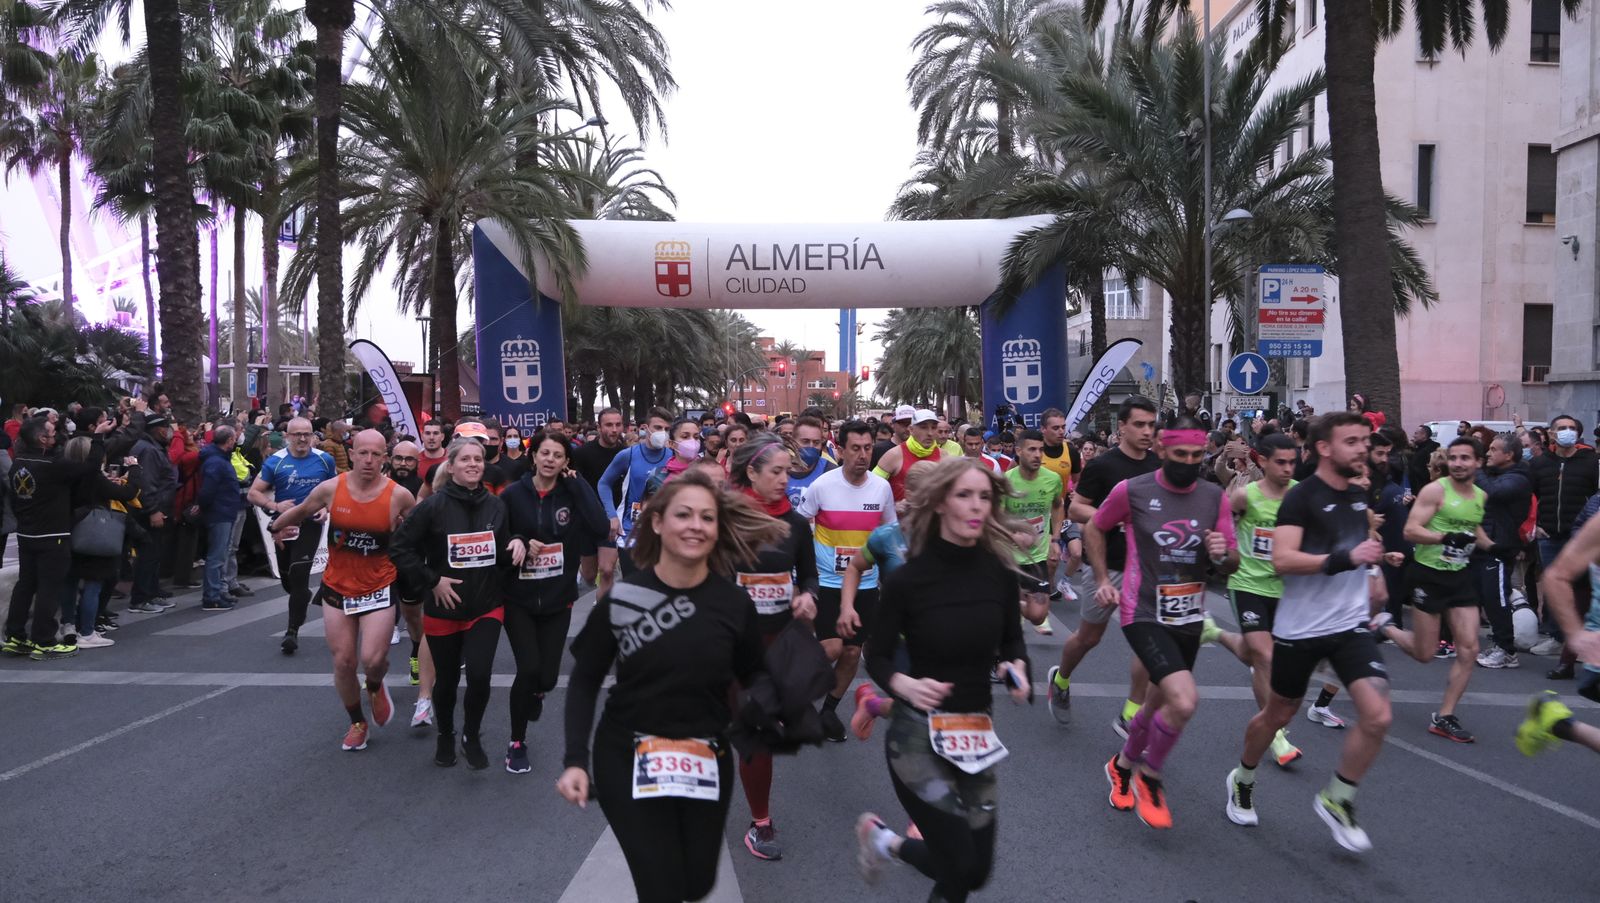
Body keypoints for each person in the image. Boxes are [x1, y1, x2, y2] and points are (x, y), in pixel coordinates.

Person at [558, 469, 788, 903]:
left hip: (704, 754)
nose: (695, 525)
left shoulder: (733, 603)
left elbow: (754, 672)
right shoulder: (625, 599)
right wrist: (574, 759)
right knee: (659, 885)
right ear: (658, 522)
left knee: (697, 882)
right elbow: (585, 680)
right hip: (628, 753)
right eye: (684, 514)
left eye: (707, 517)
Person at [852, 458, 1030, 901]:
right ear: (940, 504)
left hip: (975, 733)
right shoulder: (909, 579)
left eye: (985, 497)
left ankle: (885, 842)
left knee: (974, 873)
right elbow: (875, 655)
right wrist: (904, 684)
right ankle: (889, 842)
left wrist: (1015, 668)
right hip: (917, 738)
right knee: (957, 864)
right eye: (964, 495)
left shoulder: (999, 574)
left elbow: (1012, 641)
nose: (976, 507)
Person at [1222, 412, 1393, 853]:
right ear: (1324, 448)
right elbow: (1283, 560)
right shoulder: (1302, 500)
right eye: (1352, 441)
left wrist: (1375, 575)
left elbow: (1362, 549)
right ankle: (1243, 775)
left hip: (1349, 624)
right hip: (1301, 626)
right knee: (1278, 715)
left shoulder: (1358, 495)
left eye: (1364, 441)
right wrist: (1346, 559)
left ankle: (1339, 797)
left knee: (1377, 715)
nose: (1362, 449)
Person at [1089, 420, 1238, 830]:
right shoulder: (1133, 491)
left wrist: (1222, 553)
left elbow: (1232, 561)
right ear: (1160, 449)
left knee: (1158, 701)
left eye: (1196, 456)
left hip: (1188, 614)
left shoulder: (1213, 496)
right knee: (1184, 701)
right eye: (1180, 456)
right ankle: (1150, 776)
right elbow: (1094, 527)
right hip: (1143, 611)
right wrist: (1103, 579)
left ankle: (1120, 765)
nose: (1189, 464)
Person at [272, 430, 417, 752]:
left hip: (379, 584)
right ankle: (357, 722)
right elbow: (303, 510)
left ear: (385, 458)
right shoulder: (331, 488)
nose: (368, 460)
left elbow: (422, 525)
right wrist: (275, 526)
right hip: (337, 586)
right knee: (344, 662)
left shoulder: (398, 496)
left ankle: (376, 685)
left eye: (375, 455)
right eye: (362, 453)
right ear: (352, 454)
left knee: (373, 658)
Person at [723, 433, 820, 860]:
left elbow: (810, 574)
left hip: (777, 642)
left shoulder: (796, 524)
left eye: (788, 471)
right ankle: (761, 824)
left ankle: (756, 819)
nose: (786, 479)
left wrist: (808, 596)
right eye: (776, 471)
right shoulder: (725, 519)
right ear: (752, 473)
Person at [391, 438, 511, 769]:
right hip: (444, 608)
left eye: (478, 459)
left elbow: (501, 550)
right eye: (466, 459)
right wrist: (433, 580)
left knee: (480, 674)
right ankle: (446, 733)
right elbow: (400, 548)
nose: (473, 464)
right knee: (446, 681)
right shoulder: (433, 506)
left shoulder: (497, 506)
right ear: (452, 465)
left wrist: (516, 545)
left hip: (486, 605)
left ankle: (471, 735)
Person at [1046, 395, 1160, 730]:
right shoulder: (1103, 465)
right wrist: (1116, 516)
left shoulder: (1158, 465)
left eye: (1151, 425)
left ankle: (1130, 713)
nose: (1146, 431)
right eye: (1139, 424)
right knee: (1088, 637)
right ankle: (1062, 679)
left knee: (1147, 640)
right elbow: (1077, 509)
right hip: (1106, 564)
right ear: (1121, 427)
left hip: (1147, 569)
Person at [500, 432, 608, 774]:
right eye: (544, 453)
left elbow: (600, 525)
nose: (549, 459)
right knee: (528, 669)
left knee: (546, 678)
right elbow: (498, 535)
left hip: (558, 597)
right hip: (518, 597)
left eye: (557, 455)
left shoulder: (571, 493)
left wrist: (579, 487)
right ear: (534, 457)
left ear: (565, 462)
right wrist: (517, 540)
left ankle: (537, 692)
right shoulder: (514, 494)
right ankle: (517, 742)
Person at [1373, 436, 1492, 743]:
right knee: (1425, 653)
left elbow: (1473, 527)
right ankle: (1386, 626)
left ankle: (1445, 715)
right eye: (1453, 458)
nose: (1458, 464)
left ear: (1479, 462)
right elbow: (1411, 529)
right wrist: (1444, 538)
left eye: (1466, 458)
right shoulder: (1435, 491)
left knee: (1469, 648)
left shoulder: (1479, 495)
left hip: (1459, 576)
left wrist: (1495, 546)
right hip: (1427, 575)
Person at [797, 420, 898, 743]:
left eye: (868, 448)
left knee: (853, 653)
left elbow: (889, 535)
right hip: (827, 582)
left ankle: (828, 711)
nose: (862, 455)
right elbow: (798, 529)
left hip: (866, 585)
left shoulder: (881, 489)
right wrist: (800, 578)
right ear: (840, 450)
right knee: (830, 649)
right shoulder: (822, 486)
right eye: (855, 448)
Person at [2, 418, 100, 659]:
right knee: (49, 588)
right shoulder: (52, 465)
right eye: (51, 433)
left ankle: (15, 635)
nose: (55, 437)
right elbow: (90, 467)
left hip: (27, 533)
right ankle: (44, 640)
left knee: (26, 584)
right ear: (41, 438)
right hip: (53, 535)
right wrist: (98, 438)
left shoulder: (19, 463)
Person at [248, 417, 338, 654]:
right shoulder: (276, 462)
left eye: (306, 434)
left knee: (299, 573)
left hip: (310, 524)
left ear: (313, 436)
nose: (302, 439)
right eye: (296, 434)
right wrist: (275, 506)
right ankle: (300, 593)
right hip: (284, 525)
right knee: (289, 579)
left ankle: (292, 631)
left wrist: (325, 507)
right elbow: (253, 494)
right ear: (287, 436)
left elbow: (336, 491)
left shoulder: (324, 459)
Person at [1527, 414, 1598, 680]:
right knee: (1555, 587)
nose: (1566, 432)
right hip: (1548, 535)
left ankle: (1573, 646)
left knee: (1582, 592)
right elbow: (1530, 497)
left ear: (1578, 434)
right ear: (1551, 433)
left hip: (1581, 538)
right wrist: (1535, 525)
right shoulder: (1539, 463)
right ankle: (1558, 638)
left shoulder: (1591, 462)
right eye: (1561, 428)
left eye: (1571, 428)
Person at [60, 438, 142, 649]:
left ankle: (67, 624)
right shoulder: (94, 478)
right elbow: (127, 493)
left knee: (69, 580)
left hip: (69, 529)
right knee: (93, 583)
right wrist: (134, 469)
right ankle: (87, 631)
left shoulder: (64, 474)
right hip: (93, 533)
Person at [1474, 434, 1533, 669]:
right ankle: (1499, 644)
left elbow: (1494, 493)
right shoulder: (1497, 475)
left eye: (1493, 449)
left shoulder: (1518, 477)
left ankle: (1506, 650)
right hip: (1486, 544)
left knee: (1497, 599)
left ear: (1508, 455)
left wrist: (1477, 470)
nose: (1488, 453)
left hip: (1500, 546)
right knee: (1488, 598)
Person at [598, 408, 674, 581]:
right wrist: (611, 515)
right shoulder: (628, 455)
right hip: (631, 532)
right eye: (658, 428)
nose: (662, 433)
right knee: (634, 586)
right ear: (646, 428)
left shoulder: (673, 457)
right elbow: (604, 483)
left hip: (664, 532)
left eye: (667, 429)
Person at [1005, 429, 1063, 635]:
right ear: (1018, 451)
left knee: (1038, 615)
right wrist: (1011, 535)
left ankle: (1017, 608)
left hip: (1038, 559)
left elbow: (1057, 506)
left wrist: (1055, 538)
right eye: (1032, 450)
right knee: (1010, 625)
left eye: (1041, 450)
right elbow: (993, 518)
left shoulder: (1052, 479)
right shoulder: (1005, 481)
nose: (1038, 455)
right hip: (1010, 559)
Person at [127, 415, 179, 614]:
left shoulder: (151, 447)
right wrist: (153, 510)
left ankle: (151, 592)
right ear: (158, 430)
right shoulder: (148, 450)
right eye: (167, 428)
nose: (169, 432)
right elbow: (147, 483)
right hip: (149, 510)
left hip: (156, 507)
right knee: (148, 555)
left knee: (154, 554)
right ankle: (140, 598)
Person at [196, 426, 243, 611]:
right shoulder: (216, 461)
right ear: (229, 440)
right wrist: (205, 506)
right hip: (219, 512)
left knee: (220, 554)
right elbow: (208, 490)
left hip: (224, 510)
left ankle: (217, 591)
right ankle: (212, 596)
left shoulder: (219, 459)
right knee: (216, 556)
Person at [871, 408, 944, 502]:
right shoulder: (893, 455)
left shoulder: (944, 456)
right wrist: (892, 507)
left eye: (933, 427)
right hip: (900, 516)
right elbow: (871, 488)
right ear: (911, 430)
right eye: (923, 427)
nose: (930, 433)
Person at [785, 415, 834, 506]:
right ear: (793, 442)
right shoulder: (779, 469)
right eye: (805, 441)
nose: (811, 446)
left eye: (816, 442)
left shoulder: (830, 470)